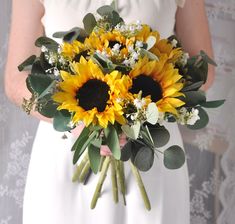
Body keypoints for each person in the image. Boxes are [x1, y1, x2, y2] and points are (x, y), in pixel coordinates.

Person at [4, 0, 214, 223]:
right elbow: (15, 80)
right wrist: (77, 120)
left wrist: (139, 110)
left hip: (150, 150)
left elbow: (204, 68)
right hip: (67, 152)